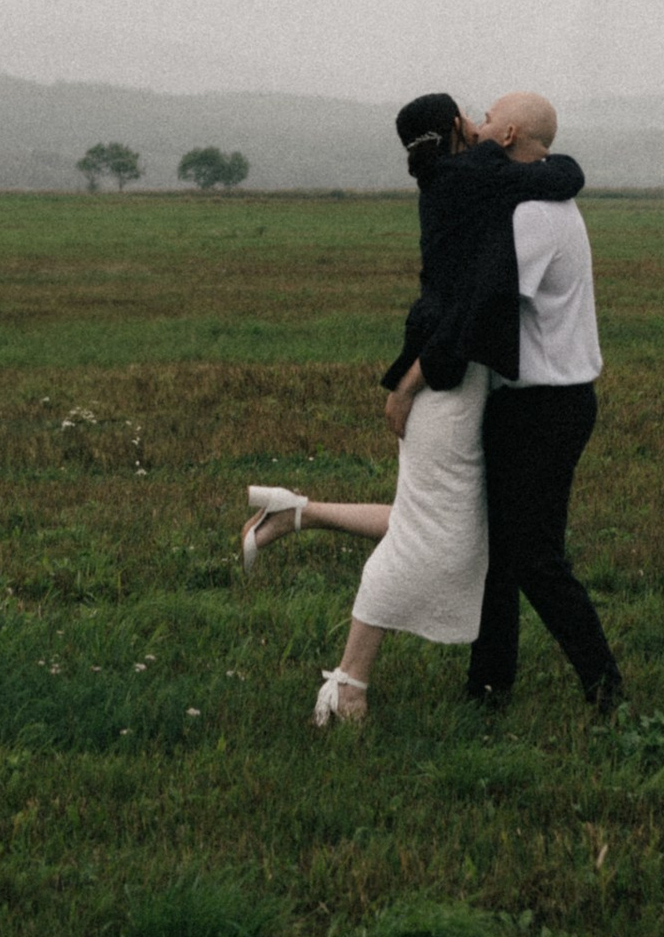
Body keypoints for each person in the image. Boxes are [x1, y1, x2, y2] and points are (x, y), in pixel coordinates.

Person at [238, 91, 587, 729]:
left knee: (438, 521)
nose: (484, 127)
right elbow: (562, 172)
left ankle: (298, 513)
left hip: (449, 388)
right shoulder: (476, 177)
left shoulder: (444, 180)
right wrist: (410, 384)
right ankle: (347, 682)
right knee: (428, 541)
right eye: (474, 119)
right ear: (461, 128)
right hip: (444, 391)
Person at [465, 93, 621, 715]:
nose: (476, 124)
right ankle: (488, 688)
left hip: (540, 409)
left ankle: (605, 685)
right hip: (552, 404)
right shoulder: (551, 198)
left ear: (505, 133)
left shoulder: (533, 211)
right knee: (503, 556)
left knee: (531, 558)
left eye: (485, 116)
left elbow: (493, 297)